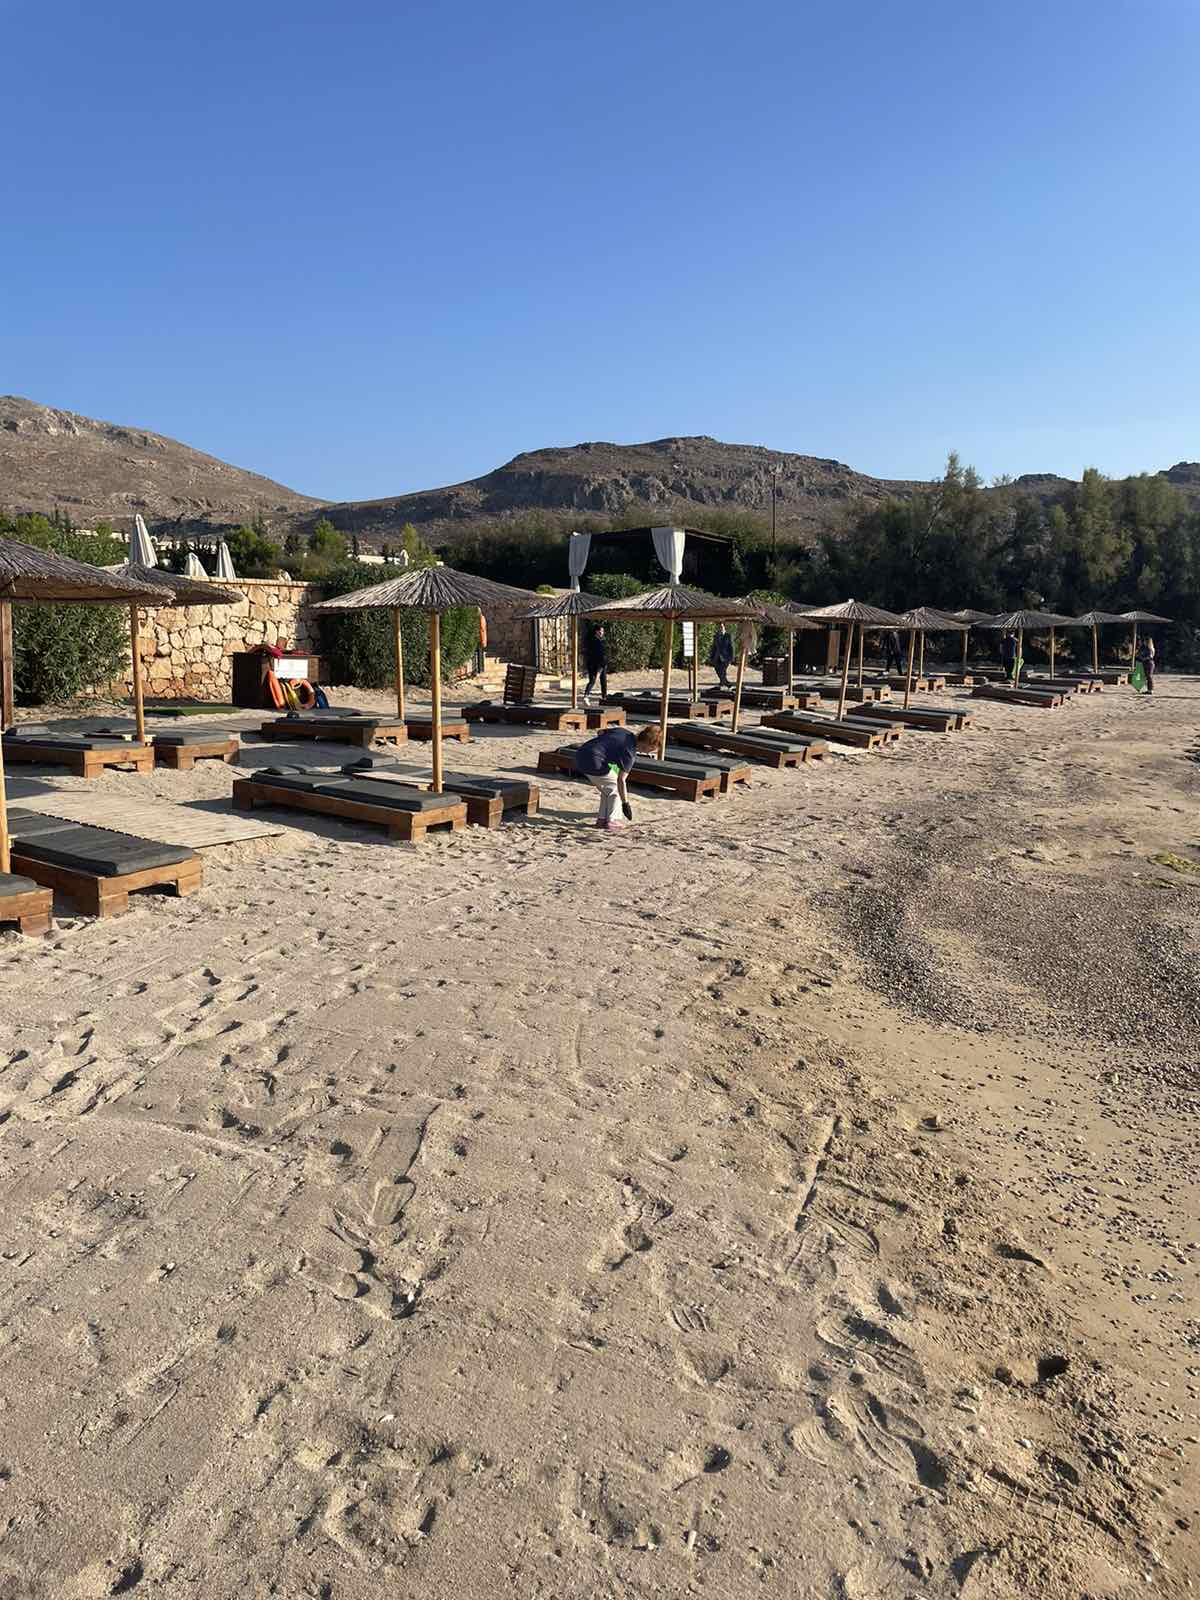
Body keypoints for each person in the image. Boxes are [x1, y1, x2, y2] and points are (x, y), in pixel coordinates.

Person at [573, 723, 660, 830]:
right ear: (647, 744)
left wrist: (608, 749)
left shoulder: (622, 731)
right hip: (594, 761)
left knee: (607, 789)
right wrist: (625, 803)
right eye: (651, 750)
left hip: (580, 754)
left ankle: (602, 820)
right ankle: (612, 821)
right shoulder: (629, 754)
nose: (649, 753)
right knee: (616, 789)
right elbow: (621, 780)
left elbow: (600, 732)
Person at [582, 624, 609, 704]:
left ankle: (604, 697)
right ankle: (586, 696)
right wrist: (599, 669)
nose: (602, 633)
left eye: (603, 631)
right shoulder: (595, 641)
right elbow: (598, 654)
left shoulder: (600, 640)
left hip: (600, 663)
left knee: (603, 681)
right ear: (596, 631)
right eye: (600, 631)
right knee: (593, 680)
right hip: (596, 664)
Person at [708, 623, 734, 687]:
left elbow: (731, 647)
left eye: (722, 627)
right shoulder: (716, 636)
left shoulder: (728, 636)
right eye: (719, 627)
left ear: (724, 627)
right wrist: (711, 656)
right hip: (717, 656)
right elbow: (714, 647)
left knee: (723, 670)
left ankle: (723, 682)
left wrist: (731, 657)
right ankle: (725, 682)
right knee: (717, 670)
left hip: (726, 656)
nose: (720, 628)